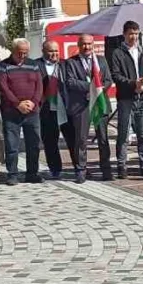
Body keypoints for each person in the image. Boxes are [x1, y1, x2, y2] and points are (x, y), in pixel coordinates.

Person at [60, 34, 113, 182]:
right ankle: (81, 170)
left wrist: (99, 90)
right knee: (81, 140)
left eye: (89, 44)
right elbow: (70, 82)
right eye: (83, 44)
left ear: (93, 44)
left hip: (100, 103)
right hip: (81, 106)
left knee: (103, 138)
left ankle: (106, 170)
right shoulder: (71, 62)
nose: (86, 47)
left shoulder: (101, 61)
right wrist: (92, 88)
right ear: (78, 45)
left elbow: (108, 80)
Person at [109, 22, 143, 178]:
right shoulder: (118, 53)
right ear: (124, 34)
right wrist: (132, 84)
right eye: (131, 33)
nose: (134, 36)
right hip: (126, 98)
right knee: (123, 134)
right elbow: (116, 75)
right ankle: (122, 165)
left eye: (136, 33)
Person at [0, 38, 44, 185]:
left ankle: (32, 173)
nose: (23, 55)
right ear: (13, 50)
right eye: (19, 52)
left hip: (32, 110)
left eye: (25, 52)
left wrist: (33, 102)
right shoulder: (4, 65)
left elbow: (39, 86)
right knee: (12, 144)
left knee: (34, 144)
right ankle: (12, 174)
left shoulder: (34, 65)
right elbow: (3, 87)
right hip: (11, 111)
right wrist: (18, 104)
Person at [36, 40, 73, 180]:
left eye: (56, 51)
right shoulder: (36, 65)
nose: (54, 54)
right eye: (51, 51)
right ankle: (55, 169)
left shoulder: (65, 64)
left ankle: (79, 167)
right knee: (50, 141)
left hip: (66, 107)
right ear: (44, 51)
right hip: (47, 108)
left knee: (72, 139)